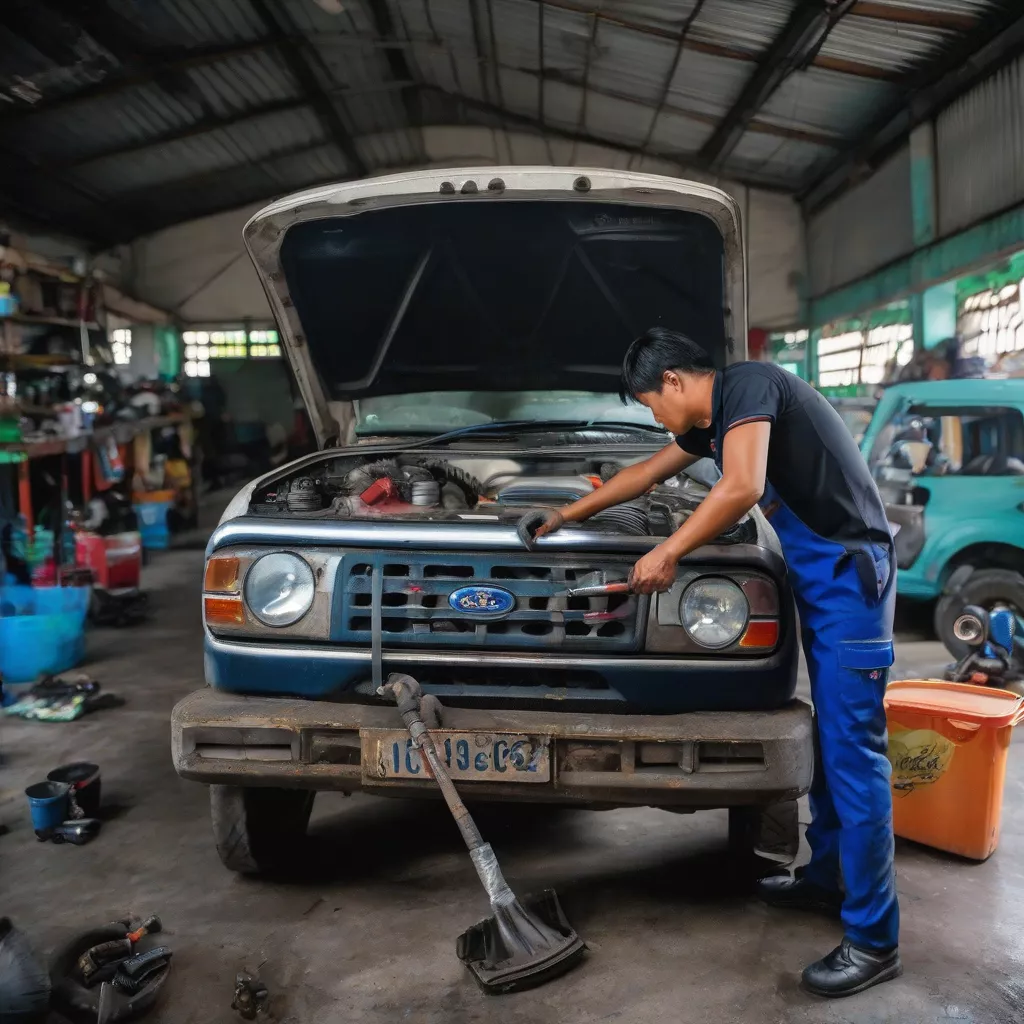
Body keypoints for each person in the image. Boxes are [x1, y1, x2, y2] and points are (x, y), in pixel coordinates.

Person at [521, 327, 900, 998]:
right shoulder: (716, 421)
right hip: (820, 579)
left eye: (649, 404)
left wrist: (669, 551)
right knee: (825, 735)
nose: (654, 418)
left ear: (674, 381)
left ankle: (874, 940)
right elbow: (645, 475)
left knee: (853, 753)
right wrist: (563, 513)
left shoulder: (750, 384)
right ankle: (829, 880)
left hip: (848, 579)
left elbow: (744, 485)